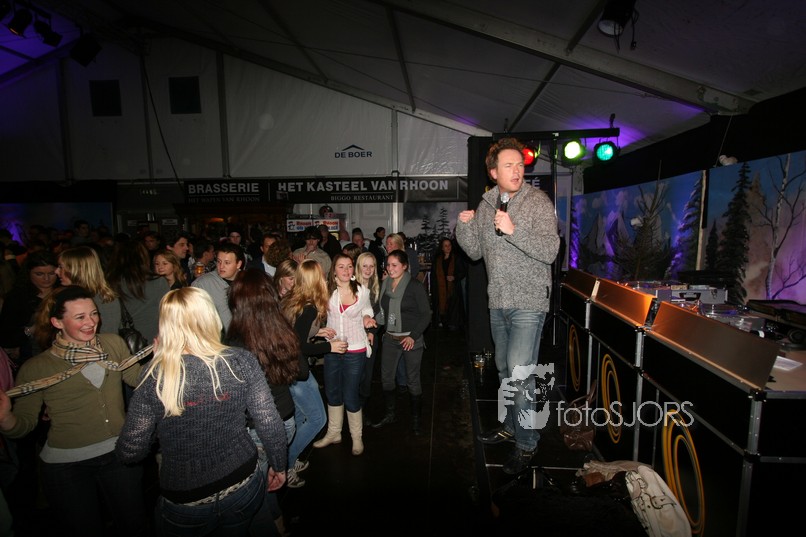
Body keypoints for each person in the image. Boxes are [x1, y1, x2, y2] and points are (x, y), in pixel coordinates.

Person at [115, 287, 287, 535]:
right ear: (211, 317)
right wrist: (279, 465)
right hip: (242, 483)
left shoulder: (154, 375)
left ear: (166, 325)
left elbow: (130, 450)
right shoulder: (241, 360)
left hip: (186, 499)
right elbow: (269, 421)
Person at [0, 286, 148, 537]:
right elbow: (23, 425)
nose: (91, 322)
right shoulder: (38, 367)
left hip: (119, 454)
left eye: (94, 313)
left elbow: (136, 378)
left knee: (135, 526)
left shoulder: (112, 344)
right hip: (67, 467)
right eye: (80, 317)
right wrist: (5, 418)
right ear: (57, 322)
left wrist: (165, 358)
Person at [456, 136, 560, 475]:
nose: (517, 170)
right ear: (493, 173)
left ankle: (527, 443)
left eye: (520, 165)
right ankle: (512, 426)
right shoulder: (487, 204)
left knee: (520, 372)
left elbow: (550, 251)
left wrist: (514, 231)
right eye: (508, 165)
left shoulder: (537, 201)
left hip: (529, 300)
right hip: (498, 300)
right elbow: (474, 251)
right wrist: (463, 226)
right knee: (503, 369)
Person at [227, 268, 300, 533]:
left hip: (258, 426)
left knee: (255, 494)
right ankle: (280, 525)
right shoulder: (282, 328)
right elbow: (299, 371)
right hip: (286, 418)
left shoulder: (237, 342)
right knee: (266, 484)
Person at [281, 260, 343, 487]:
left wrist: (317, 332)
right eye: (321, 274)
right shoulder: (308, 308)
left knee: (299, 416)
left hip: (286, 368)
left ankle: (290, 458)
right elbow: (299, 346)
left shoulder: (292, 300)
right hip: (296, 369)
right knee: (318, 418)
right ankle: (286, 465)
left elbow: (295, 333)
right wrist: (329, 347)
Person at [313, 253, 375, 456]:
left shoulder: (362, 290)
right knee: (332, 391)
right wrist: (318, 330)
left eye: (349, 266)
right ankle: (334, 433)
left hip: (355, 348)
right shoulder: (325, 290)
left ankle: (357, 437)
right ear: (334, 270)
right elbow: (315, 313)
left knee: (350, 394)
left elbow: (367, 309)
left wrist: (367, 319)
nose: (346, 270)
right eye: (341, 266)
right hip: (332, 348)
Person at [371, 250, 431, 435]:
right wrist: (371, 327)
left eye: (394, 265)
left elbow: (426, 314)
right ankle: (390, 414)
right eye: (388, 265)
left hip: (410, 339)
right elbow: (380, 310)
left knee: (412, 380)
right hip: (390, 338)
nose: (390, 268)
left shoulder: (414, 286)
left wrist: (413, 336)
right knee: (387, 378)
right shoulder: (385, 284)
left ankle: (416, 420)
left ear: (404, 266)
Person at [0, 250, 59, 367]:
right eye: (39, 274)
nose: (46, 278)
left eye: (51, 273)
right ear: (28, 273)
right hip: (30, 359)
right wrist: (29, 331)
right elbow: (6, 336)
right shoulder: (17, 298)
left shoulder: (64, 293)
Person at [105, 240, 170, 343]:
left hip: (122, 342)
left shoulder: (109, 283)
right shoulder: (158, 282)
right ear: (144, 258)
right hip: (154, 341)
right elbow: (169, 315)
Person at [55, 246, 121, 337]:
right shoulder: (64, 295)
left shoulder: (104, 299)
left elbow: (108, 337)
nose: (56, 271)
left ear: (76, 269)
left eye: (60, 267)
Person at [191, 242, 245, 332]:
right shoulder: (202, 284)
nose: (221, 266)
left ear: (238, 264)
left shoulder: (249, 283)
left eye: (227, 263)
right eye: (219, 261)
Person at [354, 252, 381, 420]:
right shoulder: (349, 286)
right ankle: (353, 410)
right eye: (365, 265)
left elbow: (380, 315)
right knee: (354, 376)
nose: (368, 269)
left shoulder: (378, 287)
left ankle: (360, 409)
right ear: (358, 267)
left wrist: (372, 332)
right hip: (352, 337)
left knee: (367, 377)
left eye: (372, 266)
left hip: (370, 337)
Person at [430, 237, 467, 330]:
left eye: (449, 245)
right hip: (440, 288)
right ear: (442, 248)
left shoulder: (456, 258)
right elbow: (433, 275)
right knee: (441, 304)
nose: (448, 247)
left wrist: (454, 277)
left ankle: (453, 323)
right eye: (445, 246)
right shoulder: (437, 260)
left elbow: (463, 271)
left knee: (453, 306)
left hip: (453, 287)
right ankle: (442, 321)